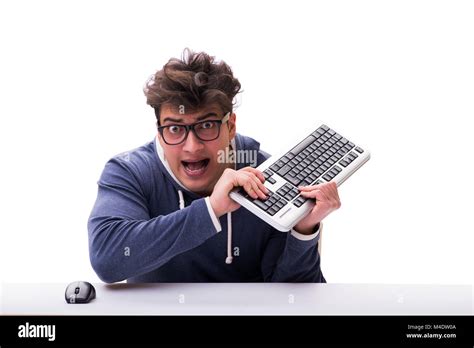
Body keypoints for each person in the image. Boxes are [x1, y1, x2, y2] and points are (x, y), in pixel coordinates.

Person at [88, 49, 341, 283]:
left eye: (206, 125)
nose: (192, 147)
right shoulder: (130, 171)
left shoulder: (265, 175)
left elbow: (296, 300)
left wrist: (303, 230)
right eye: (175, 128)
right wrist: (212, 209)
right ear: (158, 132)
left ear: (230, 126)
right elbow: (107, 259)